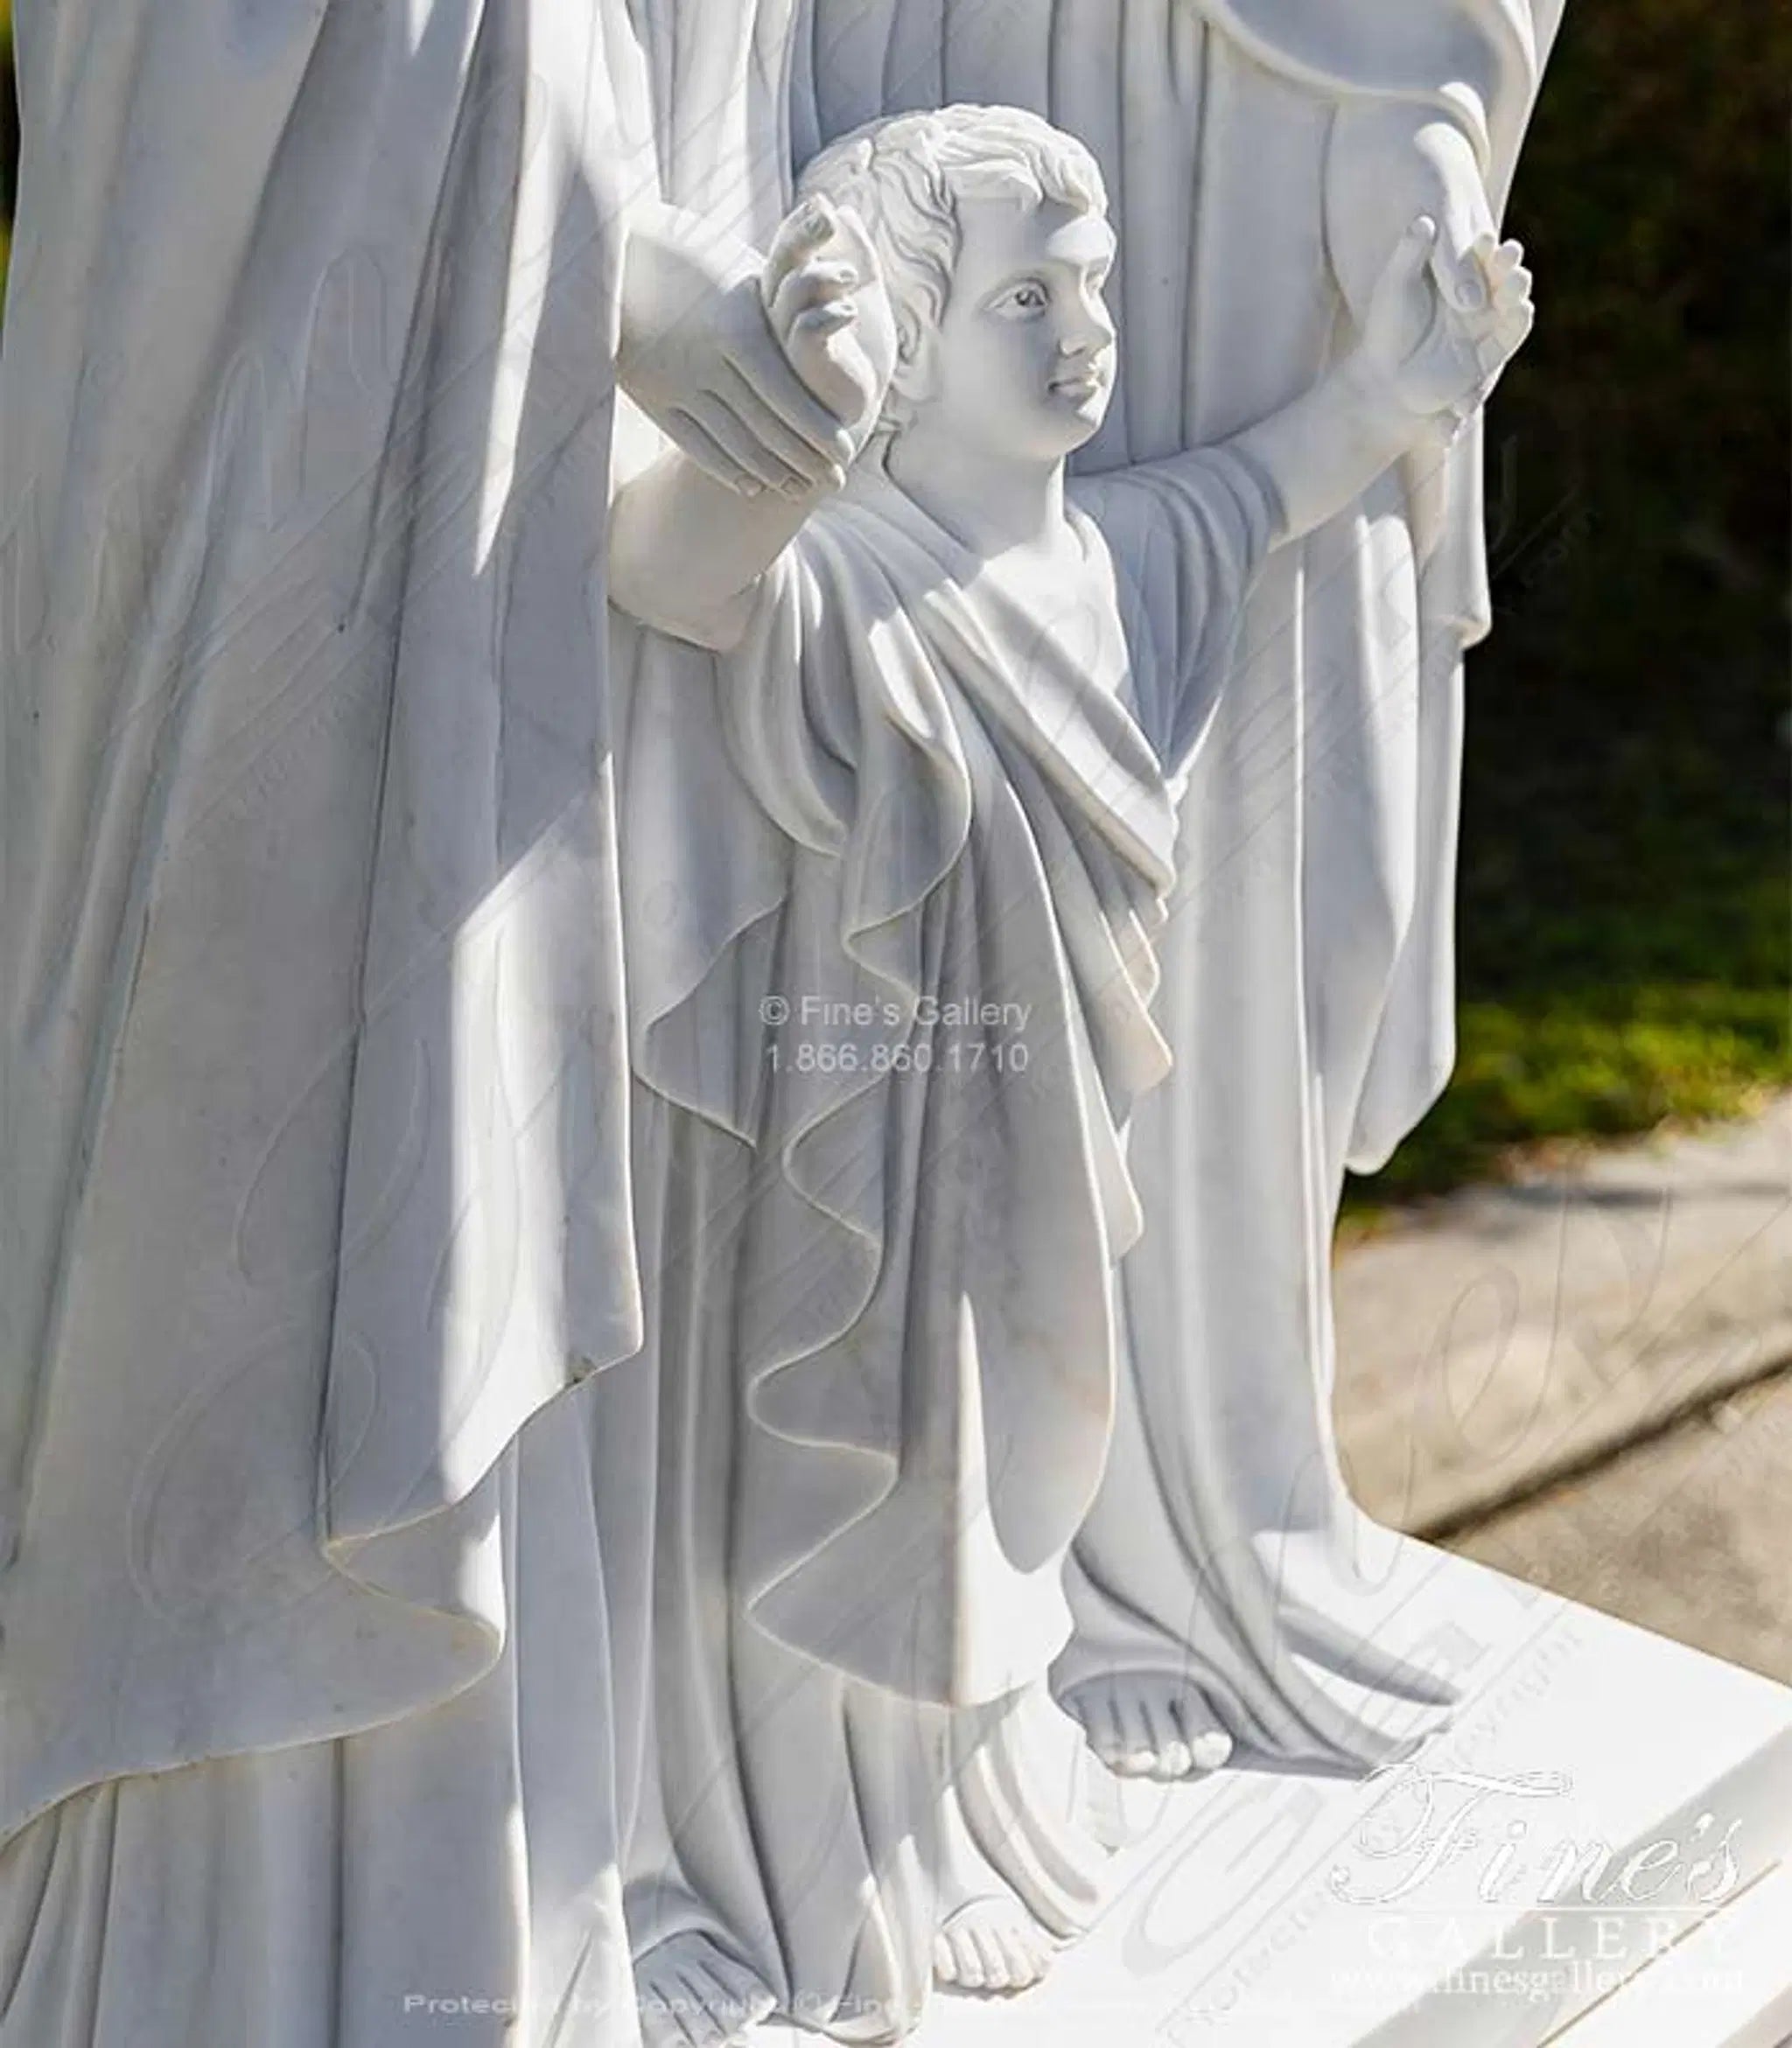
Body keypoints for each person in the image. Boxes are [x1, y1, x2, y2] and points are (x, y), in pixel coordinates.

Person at [602, 101, 1531, 2045]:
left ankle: (954, 1814)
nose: (1083, 330)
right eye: (1024, 297)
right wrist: (783, 416)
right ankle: (796, 1853)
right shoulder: (849, 586)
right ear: (908, 354)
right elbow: (681, 582)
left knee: (995, 1470)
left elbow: (1268, 485)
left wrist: (1397, 384)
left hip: (1015, 1155)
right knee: (836, 1478)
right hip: (834, 1149)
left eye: (1091, 286)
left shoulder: (1118, 555)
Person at [0, 5, 854, 2043]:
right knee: (235, 1249)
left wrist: (768, 390)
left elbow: (659, 557)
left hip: (462, 773)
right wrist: (642, 284)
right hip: (225, 638)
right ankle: (192, 1952)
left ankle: (434, 1941)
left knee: (420, 1237)